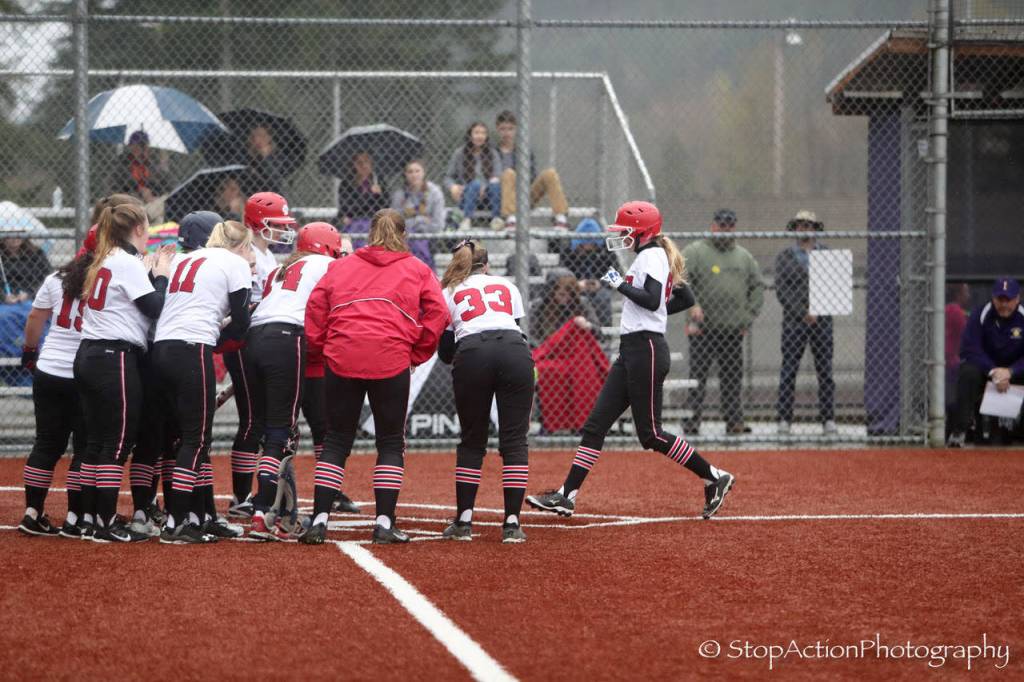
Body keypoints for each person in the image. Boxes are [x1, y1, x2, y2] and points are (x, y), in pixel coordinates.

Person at [527, 201, 735, 519]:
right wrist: (639, 293)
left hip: (646, 349)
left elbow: (652, 301)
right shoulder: (651, 255)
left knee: (650, 434)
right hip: (633, 350)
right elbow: (680, 300)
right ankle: (567, 495)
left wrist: (619, 284)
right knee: (595, 425)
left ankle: (714, 475)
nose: (622, 235)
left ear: (642, 232)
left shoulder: (651, 255)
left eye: (626, 230)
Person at [302, 209, 448, 545]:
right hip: (390, 358)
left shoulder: (342, 265)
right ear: (403, 234)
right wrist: (418, 352)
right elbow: (438, 312)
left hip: (343, 355)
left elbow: (315, 307)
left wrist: (323, 346)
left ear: (370, 233)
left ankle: (319, 519)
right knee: (390, 442)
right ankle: (384, 523)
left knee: (337, 439)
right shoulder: (416, 268)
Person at [74, 202, 175, 542]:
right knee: (117, 443)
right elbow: (154, 308)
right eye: (146, 227)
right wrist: (160, 274)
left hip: (89, 353)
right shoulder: (126, 261)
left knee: (96, 442)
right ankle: (105, 523)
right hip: (113, 356)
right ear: (136, 229)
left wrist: (145, 273)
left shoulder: (104, 257)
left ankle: (89, 518)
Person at [151, 218, 253, 544]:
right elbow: (241, 321)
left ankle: (197, 516)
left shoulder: (183, 258)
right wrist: (224, 337)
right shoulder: (234, 262)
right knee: (196, 439)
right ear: (238, 245)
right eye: (248, 246)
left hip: (162, 349)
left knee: (186, 440)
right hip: (191, 349)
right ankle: (177, 522)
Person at [246, 222, 344, 541]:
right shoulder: (328, 264)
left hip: (255, 337)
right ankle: (264, 512)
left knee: (268, 428)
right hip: (287, 338)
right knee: (281, 431)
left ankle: (277, 508)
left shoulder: (281, 269)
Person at [435, 240, 534, 543]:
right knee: (515, 440)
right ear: (487, 265)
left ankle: (464, 521)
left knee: (472, 441)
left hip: (474, 353)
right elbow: (515, 328)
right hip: (515, 351)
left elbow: (445, 351)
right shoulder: (507, 286)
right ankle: (512, 524)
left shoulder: (449, 291)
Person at [15, 225, 97, 537]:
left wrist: (28, 352)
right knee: (84, 447)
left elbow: (35, 319)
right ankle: (75, 517)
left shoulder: (55, 278)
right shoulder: (106, 279)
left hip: (49, 369)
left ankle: (32, 511)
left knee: (47, 444)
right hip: (85, 372)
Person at [222, 191, 297, 517]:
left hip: (257, 339)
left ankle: (256, 493)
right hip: (243, 339)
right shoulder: (246, 252)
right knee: (253, 420)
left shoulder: (266, 256)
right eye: (275, 223)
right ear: (256, 222)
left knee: (261, 420)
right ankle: (241, 497)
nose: (282, 230)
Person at [682, 208, 764, 435]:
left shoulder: (744, 256)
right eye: (721, 224)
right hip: (702, 330)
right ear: (713, 226)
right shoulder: (696, 252)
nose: (726, 229)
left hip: (732, 331)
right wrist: (693, 306)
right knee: (697, 378)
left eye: (730, 225)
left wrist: (747, 317)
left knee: (732, 379)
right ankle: (691, 421)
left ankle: (734, 421)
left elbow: (757, 286)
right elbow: (680, 282)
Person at [301, 233, 360, 515]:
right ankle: (257, 498)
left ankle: (331, 492)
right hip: (303, 355)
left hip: (317, 359)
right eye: (341, 253)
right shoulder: (321, 271)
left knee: (325, 430)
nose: (345, 259)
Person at [774, 210, 836, 435]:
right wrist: (802, 311)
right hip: (794, 322)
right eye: (800, 225)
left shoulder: (827, 254)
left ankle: (828, 418)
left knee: (825, 371)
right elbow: (782, 290)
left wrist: (818, 310)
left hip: (823, 321)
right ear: (795, 228)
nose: (804, 228)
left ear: (815, 228)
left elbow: (834, 287)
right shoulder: (785, 257)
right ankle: (784, 419)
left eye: (808, 225)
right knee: (789, 370)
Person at [947, 277, 1024, 448]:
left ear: (1017, 299)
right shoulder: (980, 314)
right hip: (987, 370)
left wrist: (1011, 371)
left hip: (1016, 372)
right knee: (968, 372)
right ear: (993, 298)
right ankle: (960, 431)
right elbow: (969, 349)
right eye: (1000, 299)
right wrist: (993, 371)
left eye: (1009, 299)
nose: (1004, 304)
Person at [495, 109, 569, 229]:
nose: (506, 133)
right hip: (502, 198)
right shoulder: (492, 152)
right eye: (503, 129)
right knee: (508, 173)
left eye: (510, 129)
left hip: (524, 196)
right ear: (497, 129)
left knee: (550, 173)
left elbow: (532, 176)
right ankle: (510, 219)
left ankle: (560, 217)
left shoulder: (524, 151)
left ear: (515, 130)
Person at [560, 217, 619, 328]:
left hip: (599, 288)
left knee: (603, 297)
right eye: (585, 242)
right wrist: (575, 285)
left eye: (592, 242)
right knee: (576, 299)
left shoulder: (605, 250)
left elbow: (616, 271)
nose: (588, 246)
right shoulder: (568, 250)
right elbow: (562, 274)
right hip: (574, 287)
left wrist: (601, 283)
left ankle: (604, 334)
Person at [443, 122, 502, 230]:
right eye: (476, 132)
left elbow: (497, 176)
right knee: (475, 184)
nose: (480, 136)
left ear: (486, 136)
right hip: (467, 193)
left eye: (483, 133)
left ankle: (496, 219)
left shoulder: (493, 153)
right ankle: (466, 219)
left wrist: (484, 187)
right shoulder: (460, 153)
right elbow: (448, 177)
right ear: (470, 135)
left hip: (487, 196)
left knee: (495, 184)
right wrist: (453, 187)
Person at [390, 159, 445, 267]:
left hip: (430, 237)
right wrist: (421, 220)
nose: (414, 175)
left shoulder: (435, 192)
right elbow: (394, 224)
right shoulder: (400, 195)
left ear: (423, 172)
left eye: (417, 171)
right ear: (405, 174)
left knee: (419, 243)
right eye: (410, 172)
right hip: (405, 238)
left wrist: (410, 220)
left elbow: (438, 225)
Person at [529, 269, 601, 345]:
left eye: (570, 294)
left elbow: (599, 332)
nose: (566, 298)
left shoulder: (581, 303)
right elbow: (531, 336)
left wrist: (587, 325)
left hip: (576, 349)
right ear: (551, 292)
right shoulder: (540, 305)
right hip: (548, 350)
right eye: (561, 294)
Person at [110, 130, 172, 203]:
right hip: (130, 204)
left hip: (153, 202)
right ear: (130, 147)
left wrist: (153, 196)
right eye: (136, 146)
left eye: (144, 146)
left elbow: (167, 186)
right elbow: (113, 190)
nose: (141, 150)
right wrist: (138, 194)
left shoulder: (151, 166)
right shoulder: (122, 166)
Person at [336, 151, 388, 237]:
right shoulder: (346, 183)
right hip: (353, 220)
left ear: (371, 163)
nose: (364, 165)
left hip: (374, 220)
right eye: (359, 163)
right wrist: (371, 195)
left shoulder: (379, 181)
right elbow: (347, 207)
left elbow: (386, 205)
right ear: (354, 165)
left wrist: (380, 195)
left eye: (367, 161)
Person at [0, 236, 51, 303]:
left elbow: (47, 277)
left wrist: (30, 293)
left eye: (19, 233)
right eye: (10, 235)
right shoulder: (1, 256)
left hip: (31, 296)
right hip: (5, 297)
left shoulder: (36, 253)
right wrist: (3, 297)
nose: (15, 238)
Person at [945, 282, 970, 418]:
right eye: (966, 292)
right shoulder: (955, 310)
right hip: (952, 361)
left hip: (950, 359)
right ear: (958, 294)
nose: (968, 296)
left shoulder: (950, 309)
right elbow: (966, 335)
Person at [248, 125, 285, 194]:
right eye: (253, 136)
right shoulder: (248, 157)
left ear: (269, 137)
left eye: (261, 135)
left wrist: (264, 157)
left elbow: (273, 179)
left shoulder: (278, 156)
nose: (256, 139)